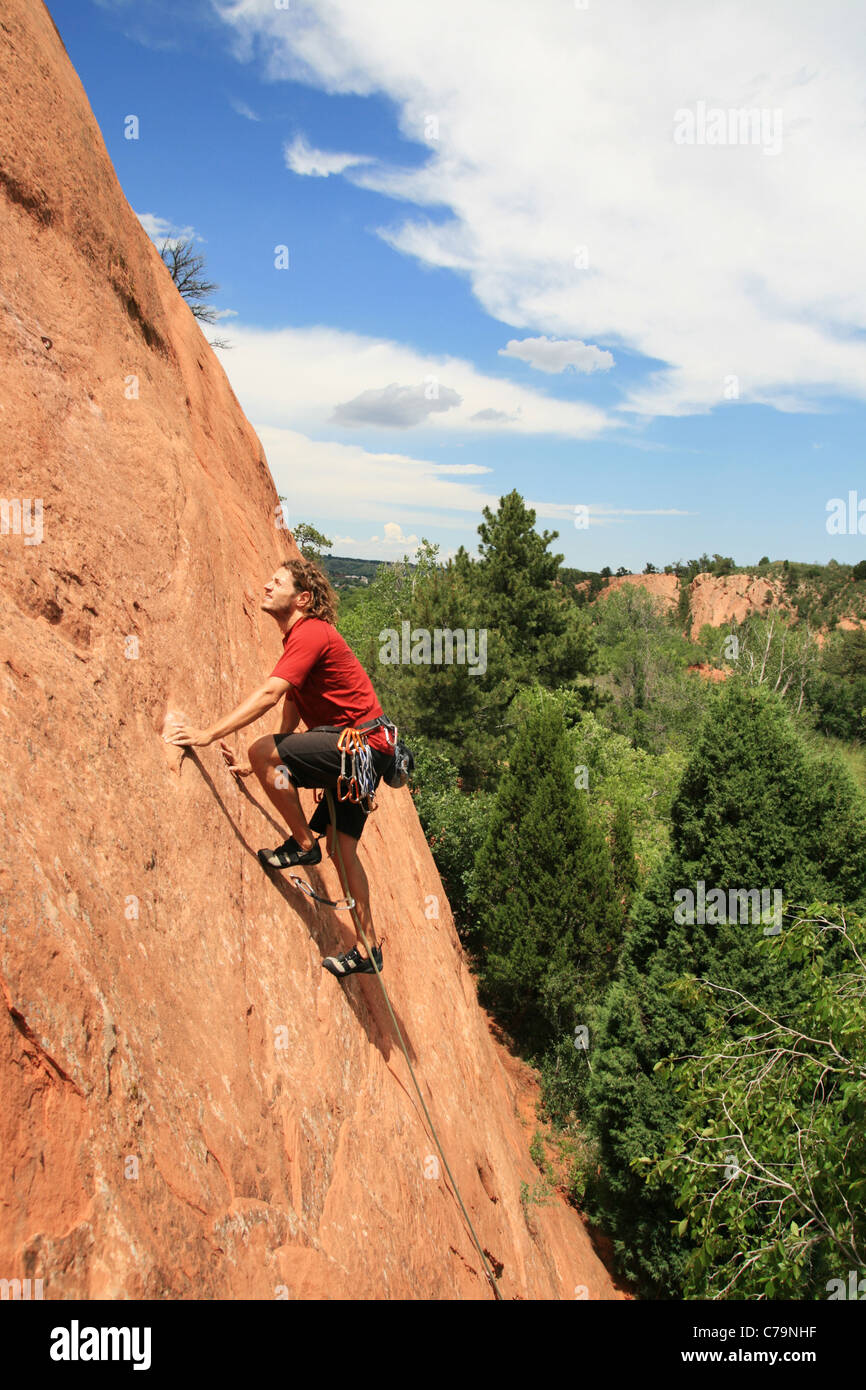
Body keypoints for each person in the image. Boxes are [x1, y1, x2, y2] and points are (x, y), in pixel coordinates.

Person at [163, 557, 397, 977]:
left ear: (302, 598)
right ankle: (367, 952)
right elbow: (291, 705)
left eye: (277, 582)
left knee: (263, 753)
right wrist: (262, 766)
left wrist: (208, 735)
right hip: (365, 754)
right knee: (343, 854)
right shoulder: (304, 639)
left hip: (354, 748)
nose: (267, 586)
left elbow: (273, 693)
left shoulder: (310, 632)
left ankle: (301, 843)